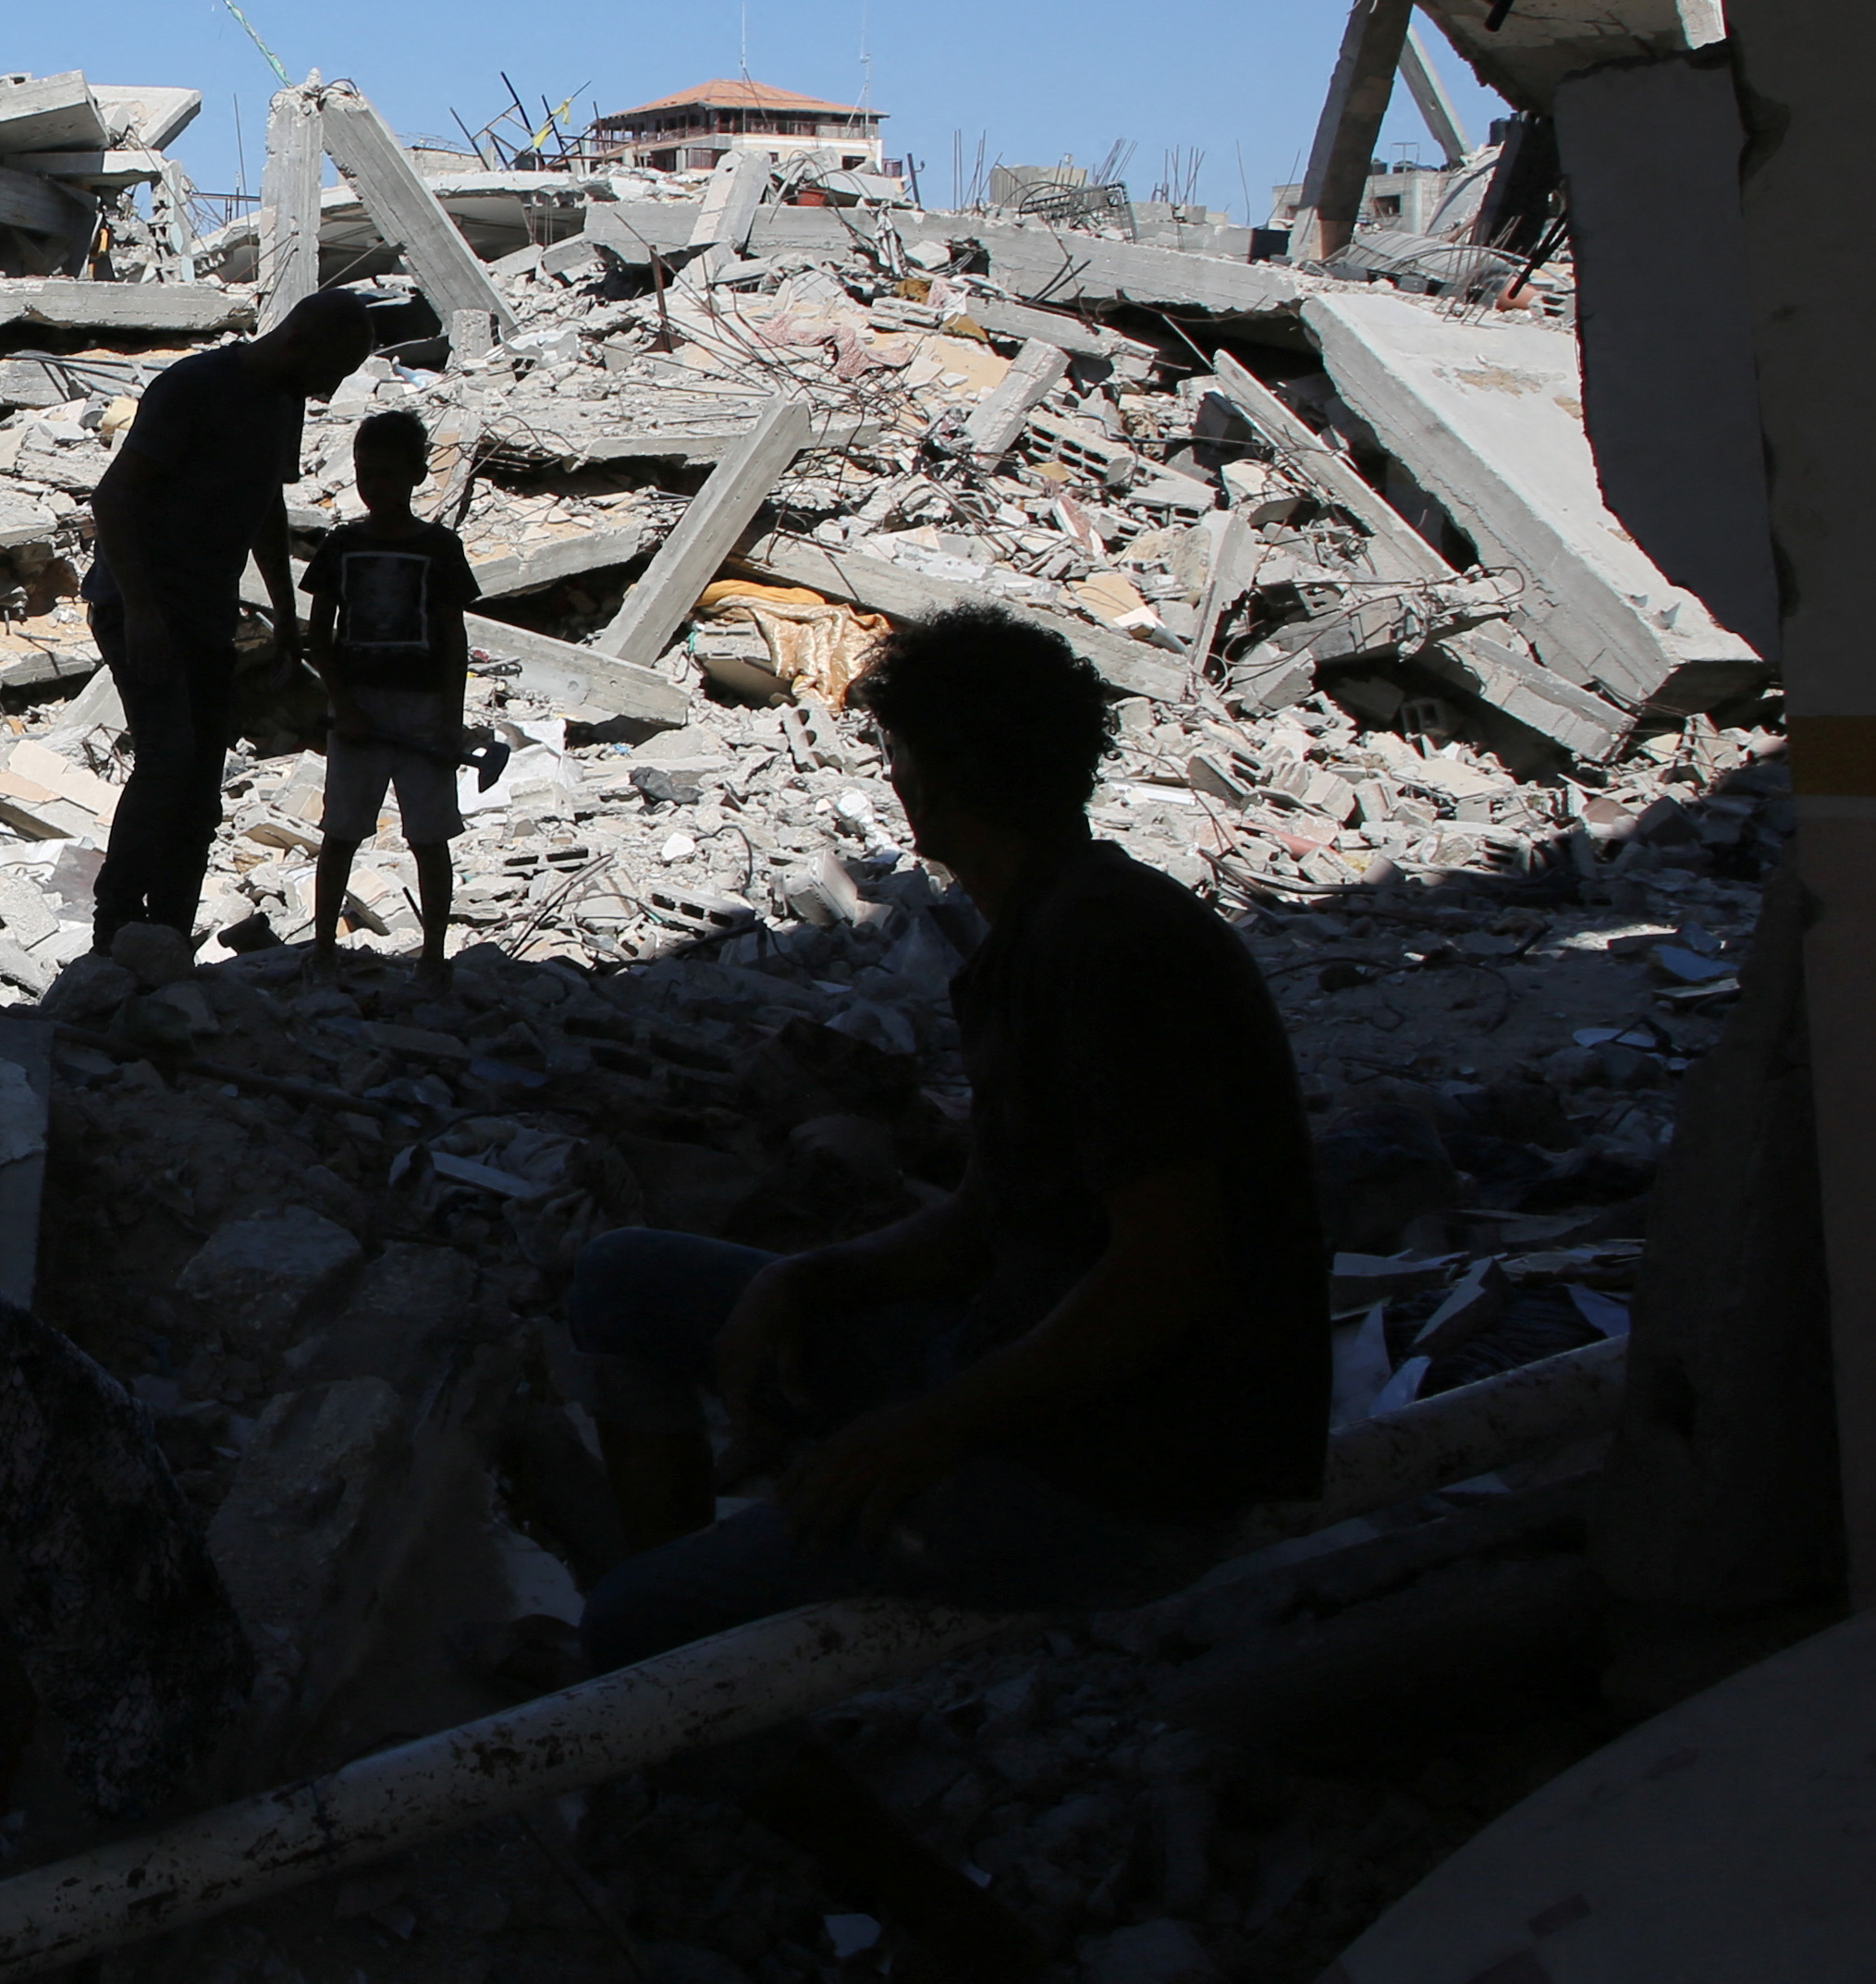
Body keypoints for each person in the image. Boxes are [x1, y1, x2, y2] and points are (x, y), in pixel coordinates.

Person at [543, 605, 1327, 1978]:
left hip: (1119, 1476)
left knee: (629, 1623)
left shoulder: (1105, 955)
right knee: (625, 1279)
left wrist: (920, 1430)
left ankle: (937, 1910)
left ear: (936, 777)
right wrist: (816, 1275)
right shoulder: (1049, 929)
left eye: (899, 756)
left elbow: (1162, 1271)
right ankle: (712, 1705)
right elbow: (999, 1213)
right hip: (1021, 1378)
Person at [80, 289, 379, 949]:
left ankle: (170, 931)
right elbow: (113, 497)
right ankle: (116, 924)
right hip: (139, 603)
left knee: (201, 781)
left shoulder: (282, 400)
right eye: (332, 369)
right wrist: (143, 613)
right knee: (168, 758)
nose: (330, 389)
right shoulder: (194, 386)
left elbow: (263, 503)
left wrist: (283, 614)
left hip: (207, 611)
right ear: (298, 341)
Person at [298, 410, 481, 981]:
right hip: (358, 707)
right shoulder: (339, 546)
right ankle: (323, 947)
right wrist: (344, 705)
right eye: (364, 474)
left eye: (387, 475)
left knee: (429, 836)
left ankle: (433, 954)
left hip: (422, 708)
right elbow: (318, 637)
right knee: (341, 832)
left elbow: (454, 638)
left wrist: (450, 721)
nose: (374, 487)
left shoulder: (440, 549)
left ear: (416, 476)